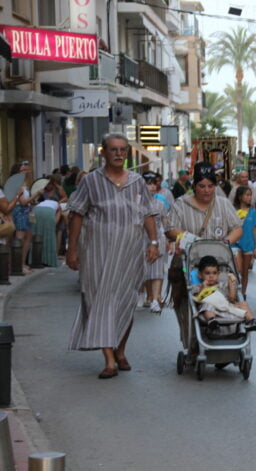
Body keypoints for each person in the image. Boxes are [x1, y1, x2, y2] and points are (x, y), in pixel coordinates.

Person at [66, 133, 160, 379]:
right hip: (98, 253)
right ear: (103, 152)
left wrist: (153, 242)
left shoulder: (138, 181)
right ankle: (109, 360)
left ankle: (120, 349)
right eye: (113, 149)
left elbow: (148, 213)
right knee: (99, 301)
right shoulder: (91, 181)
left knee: (126, 302)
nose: (118, 154)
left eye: (122, 150)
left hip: (130, 253)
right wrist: (72, 249)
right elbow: (77, 214)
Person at [166, 162, 244, 347]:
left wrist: (225, 243)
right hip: (188, 264)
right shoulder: (181, 204)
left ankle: (224, 335)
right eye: (202, 186)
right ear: (194, 186)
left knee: (226, 297)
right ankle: (190, 342)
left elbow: (237, 228)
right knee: (185, 304)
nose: (206, 190)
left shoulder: (223, 204)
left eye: (210, 186)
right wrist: (188, 238)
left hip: (218, 265)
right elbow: (170, 229)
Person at [191, 255, 256, 332]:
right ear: (200, 275)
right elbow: (197, 299)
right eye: (207, 273)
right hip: (212, 310)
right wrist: (203, 288)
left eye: (214, 273)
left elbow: (231, 299)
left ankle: (252, 321)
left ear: (218, 274)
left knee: (243, 304)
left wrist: (231, 286)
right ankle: (211, 320)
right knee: (207, 305)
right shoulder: (198, 286)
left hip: (226, 307)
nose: (211, 276)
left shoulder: (222, 285)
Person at [141, 172, 170, 313]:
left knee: (158, 269)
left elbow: (164, 221)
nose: (152, 187)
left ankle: (155, 299)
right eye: (148, 184)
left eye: (153, 184)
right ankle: (149, 295)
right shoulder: (136, 203)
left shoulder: (160, 202)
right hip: (141, 238)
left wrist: (167, 238)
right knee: (145, 270)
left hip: (158, 237)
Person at [231, 186, 256, 299]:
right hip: (235, 243)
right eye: (247, 195)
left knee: (245, 272)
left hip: (248, 244)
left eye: (250, 195)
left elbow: (255, 230)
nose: (249, 197)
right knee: (238, 269)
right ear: (240, 197)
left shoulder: (252, 212)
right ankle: (234, 289)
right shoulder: (233, 211)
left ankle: (243, 293)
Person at [9, 161, 34, 270]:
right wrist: (37, 194)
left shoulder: (23, 183)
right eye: (23, 170)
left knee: (27, 237)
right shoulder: (16, 183)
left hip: (25, 211)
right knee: (19, 237)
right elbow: (23, 201)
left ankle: (21, 262)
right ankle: (18, 264)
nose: (25, 172)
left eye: (26, 170)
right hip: (20, 210)